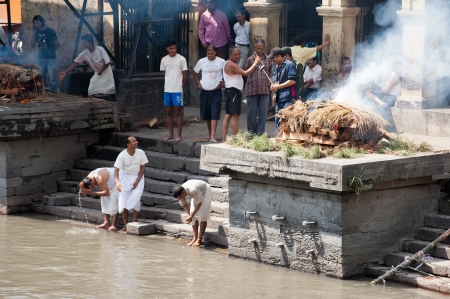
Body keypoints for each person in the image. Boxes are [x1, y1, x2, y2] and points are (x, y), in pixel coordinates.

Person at [59, 34, 116, 100]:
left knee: (111, 89)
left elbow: (107, 62)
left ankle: (116, 103)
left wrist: (101, 71)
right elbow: (75, 63)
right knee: (91, 88)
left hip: (106, 72)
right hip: (98, 72)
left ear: (90, 43)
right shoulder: (84, 53)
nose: (83, 44)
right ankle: (90, 105)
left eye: (84, 42)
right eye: (82, 42)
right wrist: (65, 72)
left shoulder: (100, 49)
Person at [222, 46, 260, 141]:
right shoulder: (231, 64)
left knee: (228, 115)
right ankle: (235, 138)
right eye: (235, 55)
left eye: (239, 54)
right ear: (230, 55)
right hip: (233, 91)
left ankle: (224, 138)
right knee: (235, 115)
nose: (237, 56)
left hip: (230, 91)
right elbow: (246, 73)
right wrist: (255, 63)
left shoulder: (229, 63)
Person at [114, 136, 148, 232]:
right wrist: (117, 182)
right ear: (128, 145)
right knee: (123, 200)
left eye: (136, 140)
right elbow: (116, 170)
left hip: (137, 176)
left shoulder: (140, 152)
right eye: (134, 141)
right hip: (124, 177)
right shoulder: (122, 155)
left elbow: (142, 168)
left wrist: (137, 181)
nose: (136, 142)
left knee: (136, 199)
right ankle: (125, 225)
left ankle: (133, 223)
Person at [192, 45, 225, 143]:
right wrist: (198, 83)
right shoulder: (202, 61)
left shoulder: (221, 61)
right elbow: (194, 71)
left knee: (214, 113)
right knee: (207, 114)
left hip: (216, 91)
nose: (210, 56)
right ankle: (210, 133)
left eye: (212, 53)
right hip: (205, 90)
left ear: (215, 52)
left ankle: (213, 137)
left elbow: (227, 72)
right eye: (208, 54)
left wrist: (223, 82)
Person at [160, 39, 188, 143]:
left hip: (177, 90)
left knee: (178, 111)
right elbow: (165, 73)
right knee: (168, 112)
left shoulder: (181, 59)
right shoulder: (164, 60)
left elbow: (185, 75)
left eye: (175, 48)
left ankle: (179, 135)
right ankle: (170, 134)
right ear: (167, 49)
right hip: (167, 89)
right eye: (171, 48)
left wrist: (180, 86)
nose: (173, 50)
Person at [172, 180, 213, 247]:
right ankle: (195, 238)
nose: (179, 199)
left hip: (205, 191)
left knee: (203, 215)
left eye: (179, 197)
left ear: (183, 192)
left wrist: (191, 216)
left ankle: (199, 240)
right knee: (193, 216)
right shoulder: (180, 193)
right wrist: (189, 216)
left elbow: (199, 203)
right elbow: (185, 205)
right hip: (197, 193)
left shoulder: (193, 190)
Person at [268, 47, 299, 132]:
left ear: (278, 56)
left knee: (287, 123)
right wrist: (274, 90)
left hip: (289, 98)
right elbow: (278, 82)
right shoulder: (277, 66)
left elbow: (292, 81)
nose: (272, 60)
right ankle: (279, 141)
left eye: (273, 58)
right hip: (279, 99)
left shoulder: (289, 64)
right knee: (278, 122)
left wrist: (278, 87)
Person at [245, 39, 272, 135]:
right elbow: (246, 73)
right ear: (255, 48)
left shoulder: (268, 60)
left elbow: (270, 73)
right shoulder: (249, 60)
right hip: (252, 90)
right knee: (251, 114)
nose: (259, 50)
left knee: (263, 113)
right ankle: (251, 133)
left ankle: (260, 133)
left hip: (264, 90)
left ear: (264, 48)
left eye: (261, 48)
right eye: (257, 48)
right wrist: (255, 63)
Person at [30, 15, 60, 91]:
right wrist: (33, 33)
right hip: (40, 58)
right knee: (41, 78)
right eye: (35, 23)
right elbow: (32, 44)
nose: (36, 25)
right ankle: (43, 92)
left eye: (37, 23)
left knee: (52, 78)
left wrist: (52, 51)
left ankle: (53, 93)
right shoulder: (36, 32)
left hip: (51, 58)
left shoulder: (50, 31)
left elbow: (57, 43)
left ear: (42, 22)